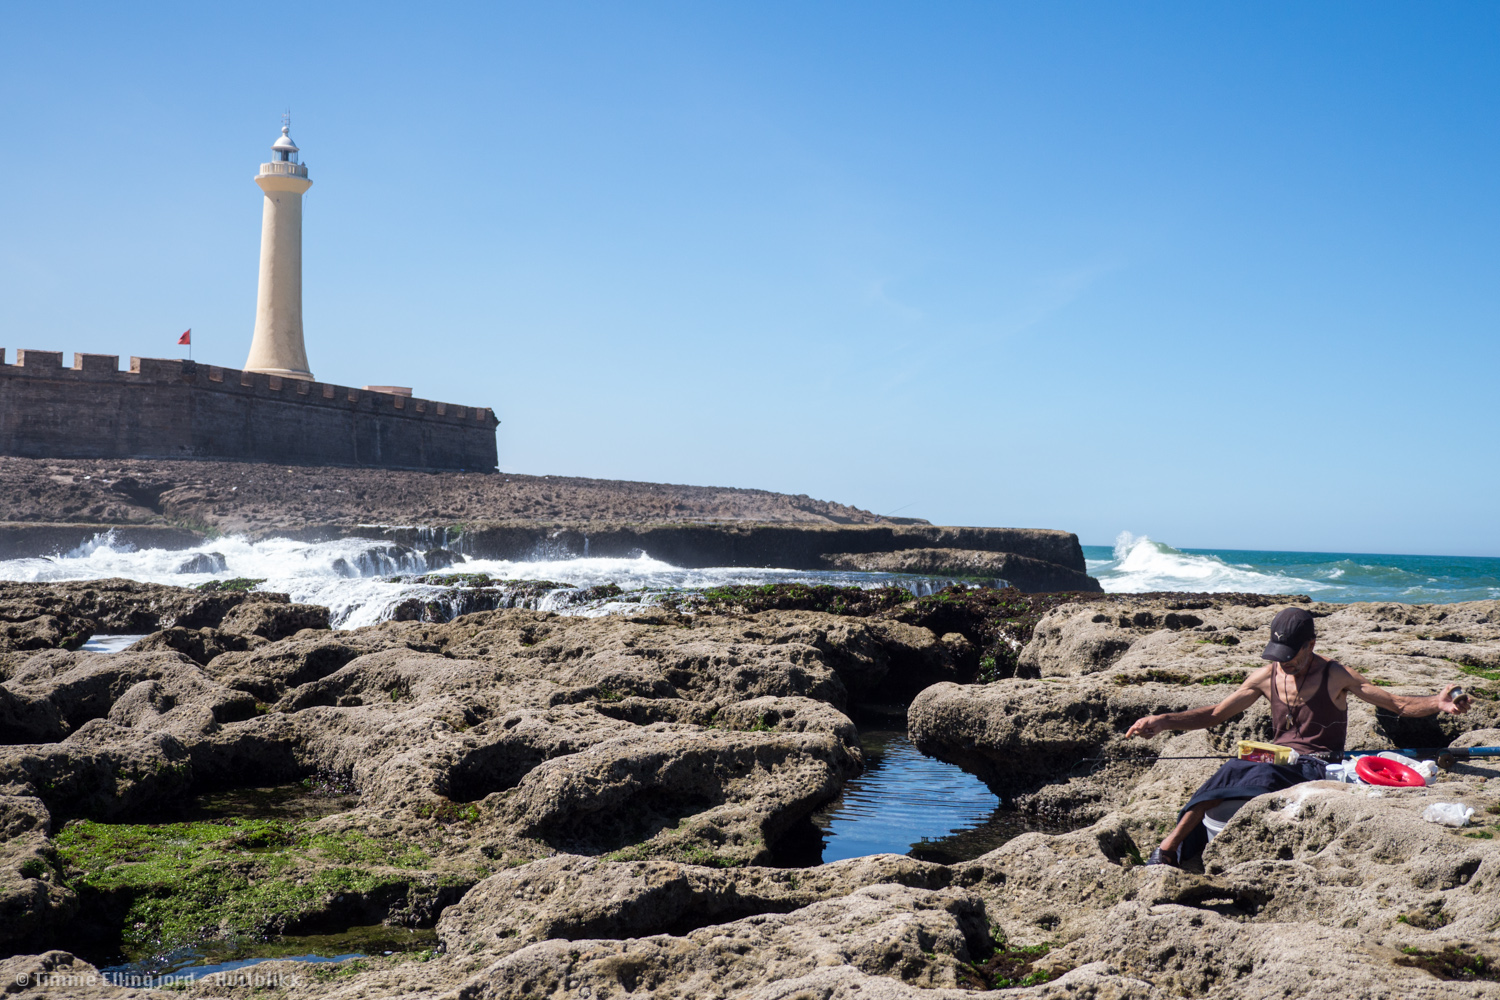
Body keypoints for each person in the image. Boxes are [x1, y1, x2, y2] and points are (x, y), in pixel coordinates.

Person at [1125, 607, 1470, 867]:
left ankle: (1168, 851)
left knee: (1252, 774)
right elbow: (1216, 714)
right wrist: (1163, 720)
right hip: (1273, 758)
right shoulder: (1266, 676)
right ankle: (1171, 852)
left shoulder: (1335, 675)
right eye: (1278, 657)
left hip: (1317, 765)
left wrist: (1437, 703)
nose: (1284, 664)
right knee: (1227, 771)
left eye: (1290, 656)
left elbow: (1395, 703)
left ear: (1310, 645)